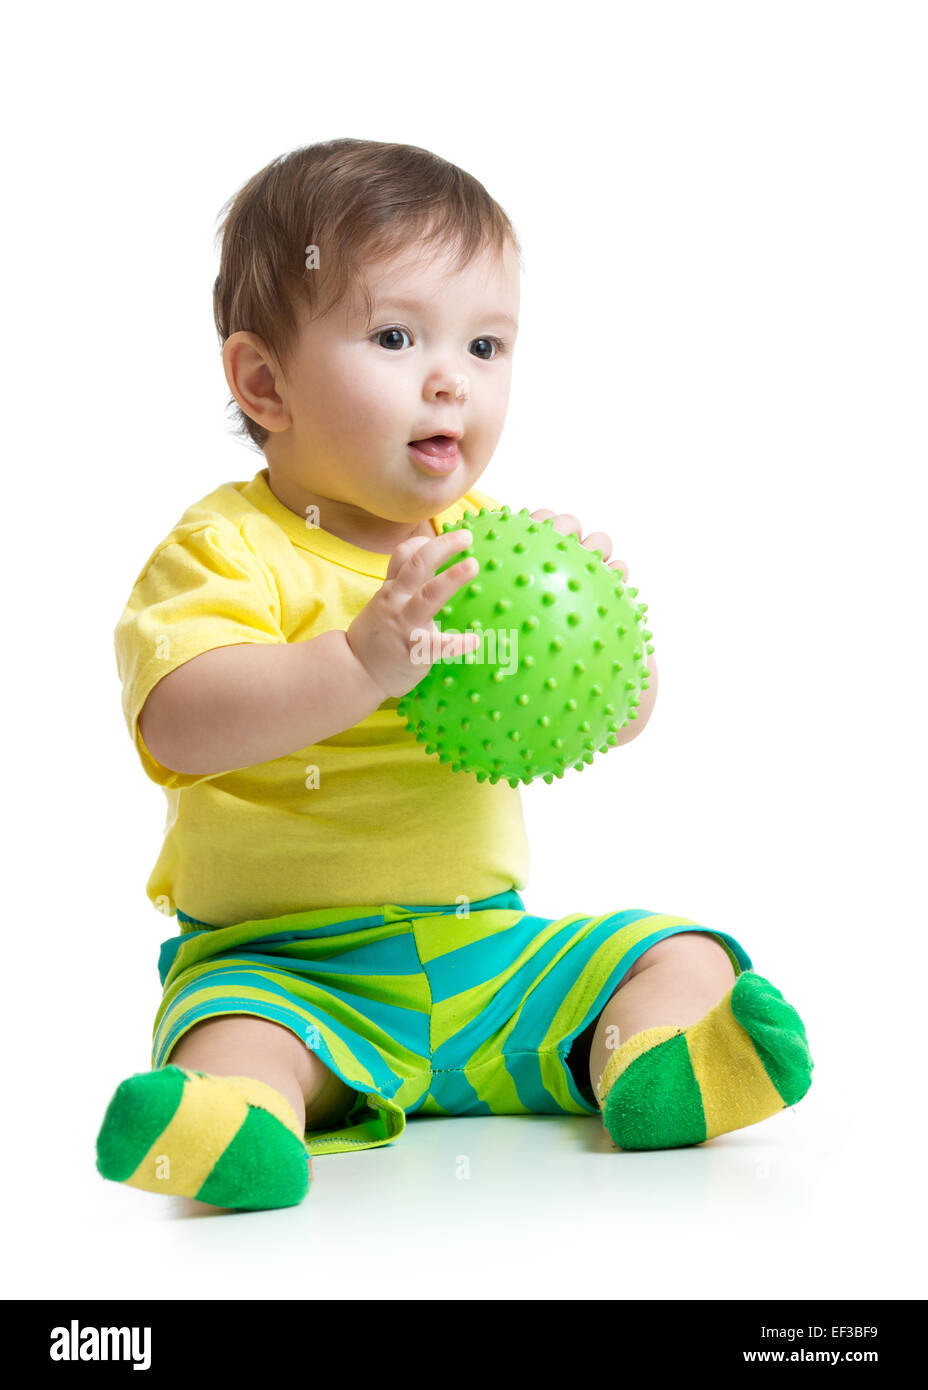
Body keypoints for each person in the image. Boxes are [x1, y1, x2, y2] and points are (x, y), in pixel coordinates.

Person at [96, 138, 813, 1211]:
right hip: (292, 975)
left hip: (493, 960)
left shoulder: (487, 547)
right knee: (230, 1034)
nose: (450, 378)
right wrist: (352, 664)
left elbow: (617, 717)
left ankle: (653, 1060)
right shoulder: (230, 548)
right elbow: (181, 722)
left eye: (485, 345)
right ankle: (230, 1122)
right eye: (395, 336)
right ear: (263, 381)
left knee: (673, 947)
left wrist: (608, 646)